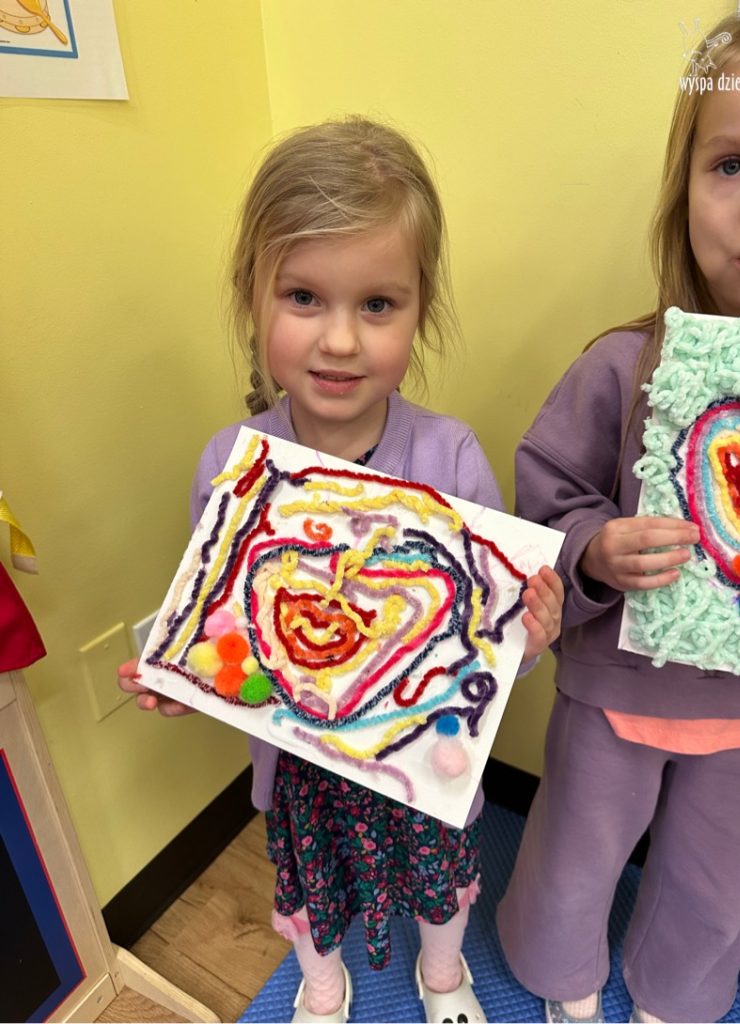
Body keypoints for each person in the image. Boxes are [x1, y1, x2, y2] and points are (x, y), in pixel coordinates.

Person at [118, 116, 564, 1024]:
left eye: (377, 305)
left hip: (424, 757)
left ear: (420, 309)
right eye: (304, 297)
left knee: (439, 880)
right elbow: (225, 626)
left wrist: (531, 637)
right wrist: (183, 680)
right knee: (309, 890)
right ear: (252, 298)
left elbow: (488, 652)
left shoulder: (449, 456)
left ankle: (444, 975)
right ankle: (323, 985)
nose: (340, 341)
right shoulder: (230, 464)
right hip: (298, 768)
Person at [496, 8, 740, 1024]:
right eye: (731, 165)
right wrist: (593, 549)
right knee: (573, 852)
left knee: (716, 883)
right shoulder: (621, 365)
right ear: (681, 190)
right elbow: (547, 491)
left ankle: (677, 997)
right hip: (614, 692)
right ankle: (557, 974)